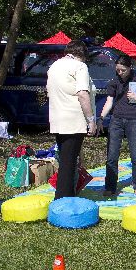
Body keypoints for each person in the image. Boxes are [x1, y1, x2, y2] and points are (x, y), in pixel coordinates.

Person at [46, 40, 96, 199]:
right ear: (81, 55)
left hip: (57, 119)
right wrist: (91, 120)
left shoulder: (54, 66)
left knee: (66, 161)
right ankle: (63, 199)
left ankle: (63, 194)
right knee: (69, 164)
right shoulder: (80, 66)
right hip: (74, 121)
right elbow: (83, 94)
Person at [97, 54, 136, 196]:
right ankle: (110, 186)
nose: (120, 73)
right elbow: (109, 101)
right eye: (118, 70)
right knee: (112, 156)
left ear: (130, 68)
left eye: (123, 70)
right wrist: (101, 118)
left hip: (134, 120)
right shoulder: (114, 81)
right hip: (116, 120)